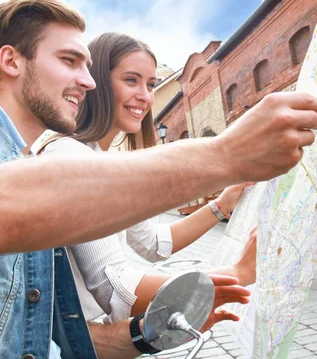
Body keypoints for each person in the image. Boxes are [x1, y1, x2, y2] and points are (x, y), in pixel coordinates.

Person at [0, 0, 317, 359]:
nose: (88, 81)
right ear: (11, 61)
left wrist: (150, 333)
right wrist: (227, 155)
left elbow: (55, 337)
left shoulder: (30, 176)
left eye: (89, 66)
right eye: (69, 60)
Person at [38, 32, 257, 325]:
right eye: (131, 80)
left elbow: (155, 243)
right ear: (98, 82)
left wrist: (222, 204)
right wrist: (238, 274)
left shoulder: (99, 160)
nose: (145, 95)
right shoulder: (70, 156)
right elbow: (115, 289)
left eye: (151, 84)